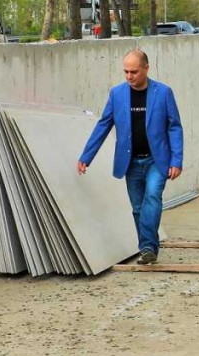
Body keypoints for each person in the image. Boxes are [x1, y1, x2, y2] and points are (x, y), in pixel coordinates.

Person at [77, 50, 184, 265]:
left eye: (134, 71)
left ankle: (147, 247)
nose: (129, 76)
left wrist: (176, 160)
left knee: (153, 196)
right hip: (131, 162)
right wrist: (86, 156)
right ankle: (148, 247)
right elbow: (104, 125)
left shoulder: (163, 93)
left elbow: (174, 127)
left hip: (157, 160)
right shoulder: (117, 94)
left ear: (146, 68)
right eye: (125, 71)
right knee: (137, 208)